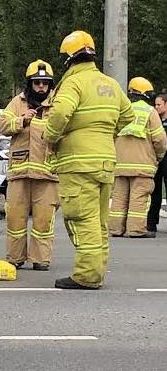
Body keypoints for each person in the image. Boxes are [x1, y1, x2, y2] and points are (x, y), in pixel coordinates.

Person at [44, 30, 134, 290]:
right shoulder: (110, 84)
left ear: (69, 59)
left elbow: (60, 113)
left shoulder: (74, 83)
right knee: (98, 221)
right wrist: (106, 132)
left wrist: (51, 137)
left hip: (78, 162)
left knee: (82, 219)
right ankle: (97, 271)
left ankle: (87, 276)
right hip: (105, 160)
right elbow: (128, 117)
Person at [0, 59, 59, 271]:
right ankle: (15, 257)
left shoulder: (58, 104)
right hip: (20, 172)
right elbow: (3, 125)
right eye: (37, 82)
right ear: (30, 84)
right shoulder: (18, 102)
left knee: (44, 221)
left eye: (45, 82)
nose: (41, 86)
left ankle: (40, 259)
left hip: (48, 174)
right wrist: (21, 120)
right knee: (15, 218)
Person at [109, 78, 166, 238]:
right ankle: (135, 230)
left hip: (120, 164)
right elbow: (160, 140)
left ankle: (115, 229)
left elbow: (111, 135)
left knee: (119, 197)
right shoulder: (150, 112)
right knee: (138, 198)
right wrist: (158, 156)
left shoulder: (121, 111)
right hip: (143, 164)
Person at [147, 92, 167, 233]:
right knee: (155, 191)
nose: (156, 107)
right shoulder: (156, 120)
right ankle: (151, 223)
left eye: (159, 104)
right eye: (155, 104)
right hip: (157, 159)